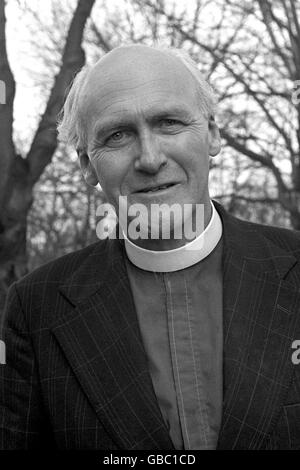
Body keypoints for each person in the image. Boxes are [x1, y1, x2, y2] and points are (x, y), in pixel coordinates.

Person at [1, 44, 300, 451]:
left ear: (212, 134)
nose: (150, 158)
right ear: (87, 164)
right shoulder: (36, 310)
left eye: (169, 123)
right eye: (117, 135)